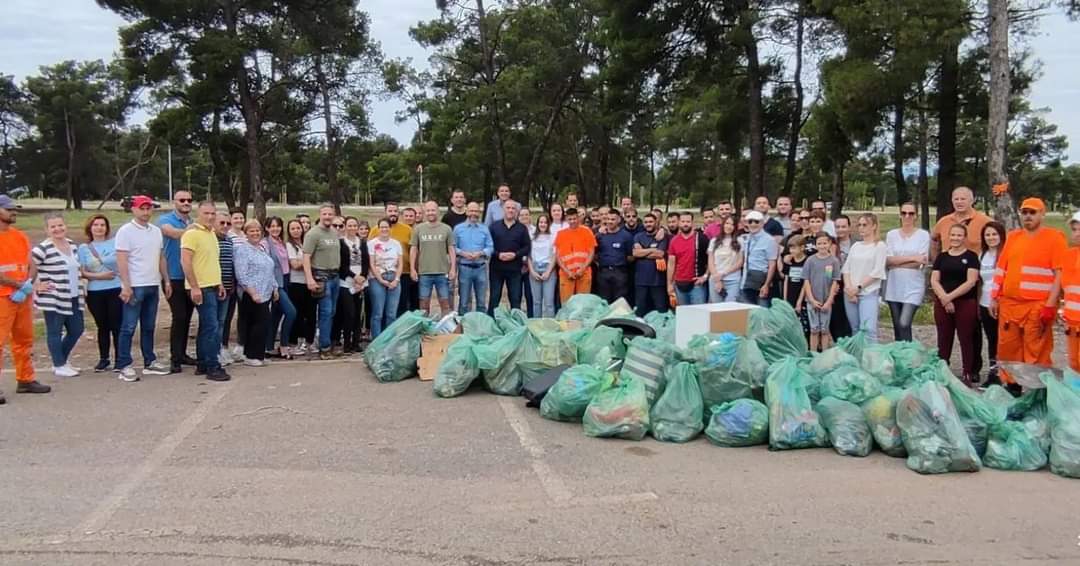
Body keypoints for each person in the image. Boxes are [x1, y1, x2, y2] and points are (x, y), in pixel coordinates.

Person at [990, 198, 1067, 390]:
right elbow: (1001, 269)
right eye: (1024, 212)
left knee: (1037, 351)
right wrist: (994, 297)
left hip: (1037, 305)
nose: (1028, 216)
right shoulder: (1013, 237)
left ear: (1042, 214)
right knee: (1008, 349)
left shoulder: (1054, 238)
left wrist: (1050, 304)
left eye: (1032, 212)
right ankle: (1012, 389)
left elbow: (1060, 273)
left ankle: (1038, 393)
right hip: (1009, 305)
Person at [114, 195, 172, 382]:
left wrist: (167, 280)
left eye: (148, 208)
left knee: (149, 326)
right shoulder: (126, 231)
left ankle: (150, 361)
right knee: (129, 327)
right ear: (134, 209)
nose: (146, 212)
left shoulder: (155, 231)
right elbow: (122, 259)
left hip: (152, 284)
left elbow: (161, 257)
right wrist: (126, 285)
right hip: (135, 285)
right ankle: (124, 364)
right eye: (142, 208)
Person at [0, 194, 50, 399]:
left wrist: (28, 283)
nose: (14, 212)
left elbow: (31, 264)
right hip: (3, 297)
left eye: (15, 209)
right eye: (9, 209)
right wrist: (19, 285)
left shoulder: (19, 235)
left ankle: (25, 379)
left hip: (22, 297)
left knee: (24, 339)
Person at [30, 213, 85, 377]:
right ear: (46, 229)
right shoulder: (42, 249)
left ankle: (61, 359)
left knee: (77, 329)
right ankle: (59, 364)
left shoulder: (71, 245)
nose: (57, 229)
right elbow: (29, 268)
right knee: (55, 331)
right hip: (53, 297)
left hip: (74, 295)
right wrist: (35, 285)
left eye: (60, 225)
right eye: (53, 226)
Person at [180, 201, 230, 381]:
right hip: (200, 287)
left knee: (206, 328)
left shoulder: (211, 234)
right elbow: (186, 262)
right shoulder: (191, 234)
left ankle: (202, 363)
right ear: (198, 213)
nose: (210, 217)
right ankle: (213, 366)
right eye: (206, 213)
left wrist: (219, 284)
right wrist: (194, 286)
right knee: (212, 328)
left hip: (212, 285)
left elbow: (211, 262)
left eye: (212, 213)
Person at [931, 224, 981, 386]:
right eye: (953, 235)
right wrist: (944, 298)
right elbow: (934, 280)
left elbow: (971, 281)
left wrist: (950, 297)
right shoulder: (942, 257)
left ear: (964, 237)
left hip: (965, 302)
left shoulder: (971, 257)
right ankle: (942, 370)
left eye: (959, 235)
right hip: (943, 302)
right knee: (944, 338)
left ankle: (967, 372)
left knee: (966, 338)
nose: (955, 238)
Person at [157, 190, 196, 373]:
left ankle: (182, 354)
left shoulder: (192, 222)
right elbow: (171, 233)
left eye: (189, 200)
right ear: (175, 202)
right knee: (178, 316)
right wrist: (193, 230)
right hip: (172, 276)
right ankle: (175, 358)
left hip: (190, 277)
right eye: (182, 200)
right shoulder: (165, 220)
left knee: (187, 317)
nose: (186, 202)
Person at [78, 214, 123, 373]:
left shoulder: (115, 243)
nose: (99, 228)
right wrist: (99, 276)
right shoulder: (84, 248)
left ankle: (120, 359)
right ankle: (104, 358)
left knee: (117, 325)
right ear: (90, 228)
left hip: (115, 288)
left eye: (102, 225)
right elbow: (82, 272)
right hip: (95, 291)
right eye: (95, 225)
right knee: (102, 326)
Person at [234, 219, 278, 367]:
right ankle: (250, 355)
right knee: (255, 325)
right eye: (251, 231)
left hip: (266, 293)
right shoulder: (242, 250)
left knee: (263, 324)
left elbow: (269, 269)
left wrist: (275, 287)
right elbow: (241, 274)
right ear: (246, 233)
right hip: (252, 294)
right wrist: (252, 292)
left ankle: (259, 354)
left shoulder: (262, 249)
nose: (255, 233)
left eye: (257, 230)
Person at [884, 203, 930, 342]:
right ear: (900, 215)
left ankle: (909, 355)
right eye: (904, 213)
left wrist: (898, 262)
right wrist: (912, 257)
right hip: (894, 285)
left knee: (904, 322)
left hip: (913, 285)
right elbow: (888, 261)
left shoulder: (923, 235)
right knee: (898, 327)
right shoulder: (891, 235)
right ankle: (901, 356)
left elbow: (920, 262)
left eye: (911, 213)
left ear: (916, 216)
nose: (907, 216)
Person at [303, 204, 343, 359]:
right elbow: (306, 257)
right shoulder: (313, 234)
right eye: (325, 214)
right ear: (320, 215)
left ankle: (327, 342)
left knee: (331, 312)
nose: (327, 216)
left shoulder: (334, 232)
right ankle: (324, 348)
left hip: (335, 277)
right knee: (325, 313)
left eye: (330, 214)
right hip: (321, 277)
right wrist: (309, 279)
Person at [842, 213, 888, 342]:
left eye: (865, 225)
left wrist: (858, 287)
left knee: (869, 330)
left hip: (868, 292)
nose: (861, 228)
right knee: (855, 329)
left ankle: (871, 359)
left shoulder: (879, 246)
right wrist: (849, 289)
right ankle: (858, 358)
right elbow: (846, 268)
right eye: (859, 225)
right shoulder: (856, 246)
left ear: (873, 226)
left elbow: (877, 271)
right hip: (851, 292)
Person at [411, 201, 456, 317]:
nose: (431, 213)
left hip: (442, 272)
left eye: (433, 210)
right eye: (428, 210)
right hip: (424, 273)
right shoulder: (418, 229)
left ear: (438, 211)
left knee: (445, 304)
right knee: (424, 305)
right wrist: (412, 269)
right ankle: (425, 330)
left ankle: (445, 330)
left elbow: (451, 249)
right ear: (425, 212)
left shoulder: (446, 229)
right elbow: (414, 249)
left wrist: (452, 269)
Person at [976, 221, 1007, 383]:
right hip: (985, 303)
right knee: (992, 339)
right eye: (987, 235)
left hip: (1002, 304)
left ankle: (1008, 375)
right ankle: (993, 374)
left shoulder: (1005, 254)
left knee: (1005, 340)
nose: (991, 237)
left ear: (1001, 235)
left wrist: (999, 300)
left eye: (994, 234)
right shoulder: (982, 254)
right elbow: (980, 282)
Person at [488, 199, 531, 314]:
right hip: (496, 268)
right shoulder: (494, 227)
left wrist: (515, 255)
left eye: (513, 208)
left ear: (516, 211)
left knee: (515, 299)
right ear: (503, 209)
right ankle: (491, 323)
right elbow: (488, 245)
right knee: (494, 298)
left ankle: (515, 325)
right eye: (508, 208)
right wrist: (498, 254)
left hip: (515, 269)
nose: (511, 210)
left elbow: (527, 247)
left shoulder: (522, 228)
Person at [263, 216, 297, 359]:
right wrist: (274, 287)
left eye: (278, 226)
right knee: (291, 312)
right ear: (267, 228)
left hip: (286, 279)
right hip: (275, 283)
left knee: (276, 315)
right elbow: (266, 266)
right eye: (272, 226)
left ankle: (269, 347)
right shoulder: (265, 244)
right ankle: (283, 345)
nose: (275, 229)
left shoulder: (281, 243)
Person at [334, 217, 369, 354]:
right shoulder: (341, 243)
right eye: (350, 225)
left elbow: (366, 261)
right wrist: (354, 277)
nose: (352, 228)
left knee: (358, 315)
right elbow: (341, 265)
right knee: (349, 313)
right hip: (346, 283)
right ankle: (347, 343)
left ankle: (356, 342)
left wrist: (362, 277)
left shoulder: (362, 243)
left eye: (355, 225)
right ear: (345, 226)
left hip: (360, 283)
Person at [802, 232, 842, 352]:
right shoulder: (810, 260)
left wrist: (829, 301)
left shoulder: (834, 261)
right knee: (814, 330)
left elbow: (834, 282)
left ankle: (825, 354)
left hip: (826, 301)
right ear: (815, 245)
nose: (822, 246)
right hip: (812, 301)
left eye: (825, 243)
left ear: (829, 244)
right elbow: (806, 281)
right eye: (819, 243)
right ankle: (813, 354)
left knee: (824, 330)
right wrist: (812, 300)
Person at [931, 186, 992, 260]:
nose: (959, 202)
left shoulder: (985, 222)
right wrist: (936, 262)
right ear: (952, 201)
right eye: (956, 199)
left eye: (963, 199)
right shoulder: (943, 221)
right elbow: (934, 241)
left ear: (972, 201)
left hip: (974, 268)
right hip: (948, 268)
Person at [454, 202, 493, 313]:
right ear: (466, 212)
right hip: (464, 267)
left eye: (476, 211)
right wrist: (462, 253)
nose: (473, 213)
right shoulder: (458, 229)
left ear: (479, 212)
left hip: (481, 267)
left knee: (481, 301)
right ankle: (463, 326)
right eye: (471, 211)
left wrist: (481, 253)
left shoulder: (484, 229)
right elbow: (452, 247)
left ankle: (480, 325)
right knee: (464, 301)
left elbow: (490, 247)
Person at [368, 218, 403, 338]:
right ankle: (377, 339)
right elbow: (371, 264)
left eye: (386, 227)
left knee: (391, 313)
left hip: (393, 277)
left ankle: (389, 339)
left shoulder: (396, 244)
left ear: (390, 228)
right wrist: (380, 280)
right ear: (378, 228)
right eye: (381, 227)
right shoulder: (372, 244)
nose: (384, 229)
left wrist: (396, 279)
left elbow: (400, 263)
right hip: (377, 278)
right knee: (378, 313)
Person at [554, 207, 596, 303]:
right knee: (566, 305)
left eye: (574, 218)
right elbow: (558, 256)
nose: (572, 221)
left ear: (578, 218)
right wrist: (567, 271)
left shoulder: (587, 232)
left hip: (584, 273)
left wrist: (582, 269)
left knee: (582, 305)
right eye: (570, 219)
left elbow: (591, 252)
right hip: (566, 274)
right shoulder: (561, 234)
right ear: (566, 219)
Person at [667, 212, 709, 306]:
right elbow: (671, 264)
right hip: (679, 284)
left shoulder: (701, 239)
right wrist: (669, 284)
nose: (685, 224)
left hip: (696, 284)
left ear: (692, 223)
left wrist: (705, 276)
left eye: (688, 221)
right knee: (685, 314)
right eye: (683, 221)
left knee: (699, 313)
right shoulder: (674, 241)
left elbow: (711, 259)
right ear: (679, 223)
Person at [285, 219, 315, 354]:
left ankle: (309, 342)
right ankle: (293, 343)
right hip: (296, 283)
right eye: (293, 228)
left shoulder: (307, 243)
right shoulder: (289, 245)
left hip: (310, 282)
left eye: (298, 228)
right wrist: (308, 258)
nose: (296, 230)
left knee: (311, 314)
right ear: (289, 231)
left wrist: (303, 260)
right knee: (297, 314)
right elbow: (295, 265)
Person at [632, 213, 669, 316]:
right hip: (641, 280)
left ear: (656, 222)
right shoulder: (638, 236)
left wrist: (642, 252)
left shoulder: (662, 237)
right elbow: (635, 253)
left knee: (660, 309)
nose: (648, 224)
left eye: (651, 222)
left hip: (657, 281)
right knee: (640, 309)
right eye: (646, 222)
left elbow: (660, 253)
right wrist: (652, 249)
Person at [739, 211, 778, 306]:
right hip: (746, 279)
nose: (753, 224)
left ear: (762, 223)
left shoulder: (769, 240)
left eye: (756, 222)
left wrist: (766, 285)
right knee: (747, 313)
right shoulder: (745, 238)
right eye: (750, 222)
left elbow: (772, 264)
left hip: (761, 279)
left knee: (762, 313)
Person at [595, 209, 634, 304]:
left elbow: (630, 256)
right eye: (608, 219)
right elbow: (594, 253)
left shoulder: (626, 236)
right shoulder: (600, 236)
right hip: (603, 272)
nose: (610, 222)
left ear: (619, 220)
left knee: (620, 302)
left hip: (620, 273)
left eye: (613, 219)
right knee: (604, 301)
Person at [212, 212, 236, 367]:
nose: (225, 226)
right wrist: (217, 282)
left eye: (228, 223)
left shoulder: (229, 240)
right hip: (214, 287)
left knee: (222, 321)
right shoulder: (211, 239)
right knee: (212, 322)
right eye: (222, 223)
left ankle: (220, 349)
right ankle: (212, 353)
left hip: (228, 287)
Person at [386, 202, 416, 315]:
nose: (393, 213)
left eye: (395, 211)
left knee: (402, 303)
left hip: (404, 272)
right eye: (390, 211)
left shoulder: (407, 229)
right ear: (386, 212)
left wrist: (414, 269)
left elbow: (413, 250)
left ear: (398, 213)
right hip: (383, 273)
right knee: (385, 305)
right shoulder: (377, 229)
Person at [781, 234, 810, 339]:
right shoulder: (789, 261)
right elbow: (786, 280)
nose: (791, 251)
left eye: (794, 248)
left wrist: (799, 301)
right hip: (790, 295)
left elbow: (805, 283)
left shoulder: (807, 261)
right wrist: (785, 299)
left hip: (801, 296)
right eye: (790, 248)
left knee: (802, 325)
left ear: (802, 248)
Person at [707, 216, 742, 303]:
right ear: (723, 225)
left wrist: (723, 274)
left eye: (732, 224)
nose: (729, 226)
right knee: (717, 308)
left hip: (733, 280)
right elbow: (710, 261)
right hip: (715, 279)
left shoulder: (740, 241)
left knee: (730, 308)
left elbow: (740, 262)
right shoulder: (714, 241)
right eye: (727, 223)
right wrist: (717, 278)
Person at [1061, 212, 1080, 373]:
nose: (1076, 234)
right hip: (1072, 320)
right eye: (1074, 230)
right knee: (1074, 364)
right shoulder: (1069, 255)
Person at [830, 215, 854, 340]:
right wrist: (831, 281)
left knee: (851, 317)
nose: (840, 229)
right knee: (837, 316)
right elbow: (828, 265)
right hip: (837, 283)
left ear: (849, 227)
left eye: (843, 226)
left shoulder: (857, 243)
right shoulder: (831, 244)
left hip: (853, 283)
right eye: (837, 227)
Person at [528, 214, 557, 317]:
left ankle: (550, 327)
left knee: (549, 302)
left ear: (548, 224)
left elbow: (554, 255)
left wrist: (548, 271)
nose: (543, 224)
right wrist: (532, 271)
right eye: (541, 222)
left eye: (545, 222)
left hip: (548, 269)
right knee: (536, 302)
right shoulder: (532, 237)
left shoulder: (552, 237)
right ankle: (537, 325)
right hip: (535, 269)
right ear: (537, 224)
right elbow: (529, 256)